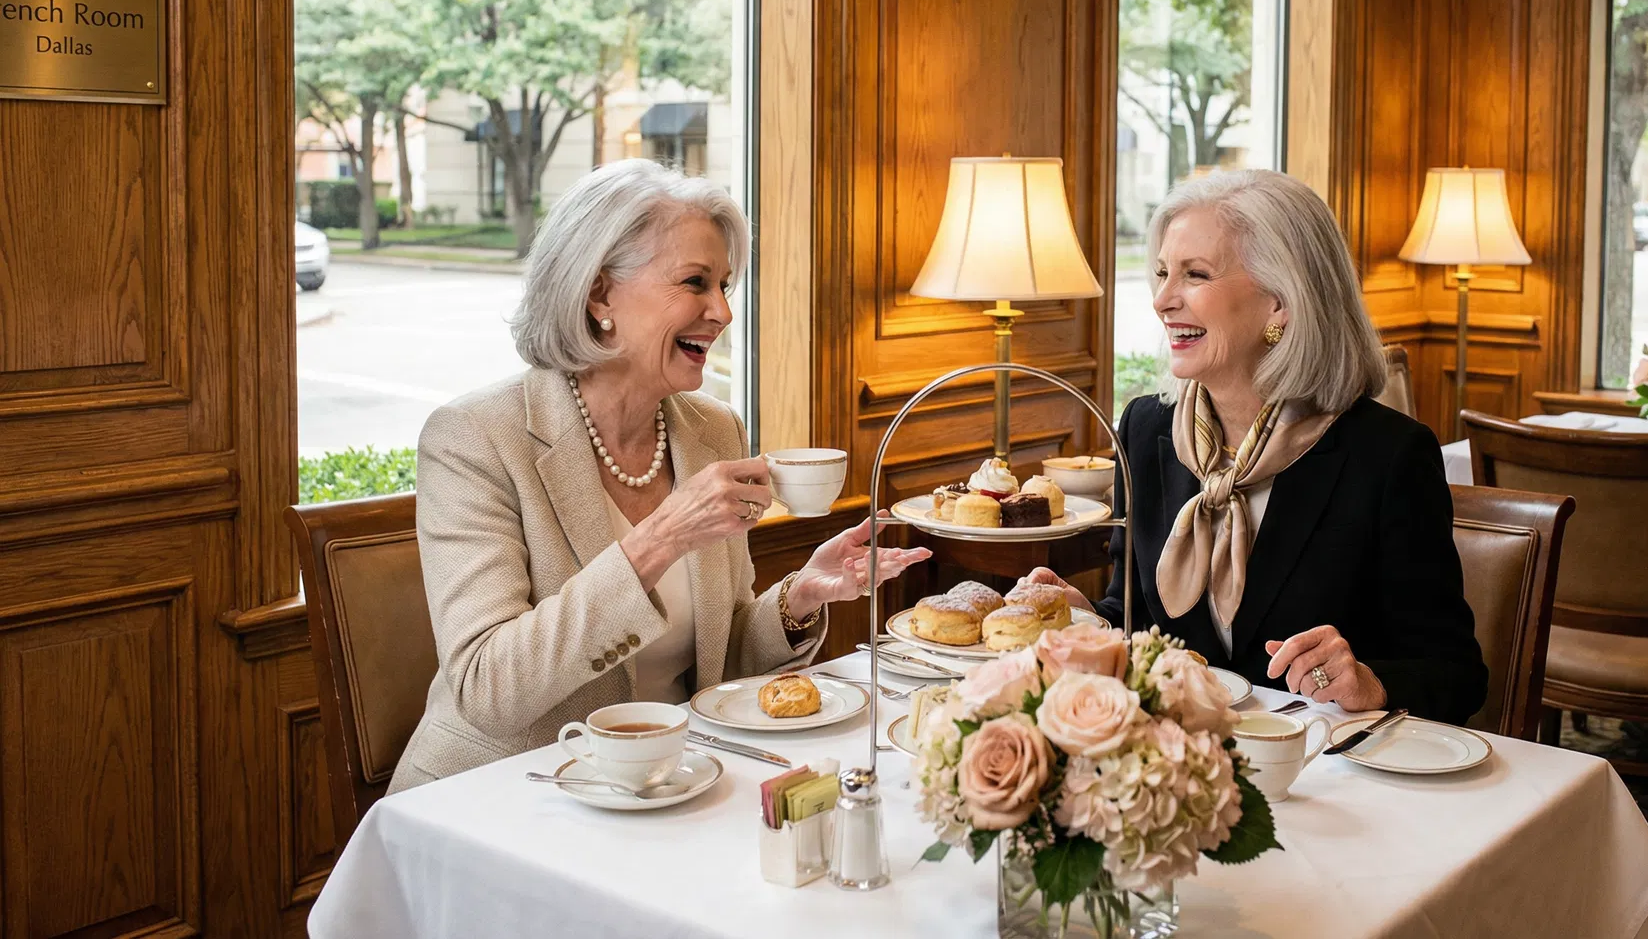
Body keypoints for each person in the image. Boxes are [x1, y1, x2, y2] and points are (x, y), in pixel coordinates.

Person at [390, 160, 928, 790]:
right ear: (599, 294)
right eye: (695, 282)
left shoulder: (713, 430)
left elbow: (718, 669)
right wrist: (660, 539)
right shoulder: (475, 438)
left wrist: (799, 598)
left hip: (665, 783)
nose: (722, 311)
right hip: (504, 793)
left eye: (724, 285)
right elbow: (489, 690)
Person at [1026, 169, 1485, 724]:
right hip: (1180, 752)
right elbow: (1139, 619)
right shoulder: (1146, 430)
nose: (1162, 300)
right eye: (1163, 273)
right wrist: (1084, 616)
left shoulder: (1388, 456)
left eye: (1196, 274)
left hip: (1320, 763)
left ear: (1280, 302)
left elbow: (1455, 674)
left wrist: (1369, 680)